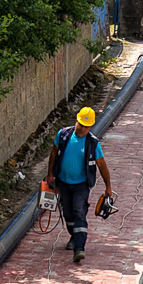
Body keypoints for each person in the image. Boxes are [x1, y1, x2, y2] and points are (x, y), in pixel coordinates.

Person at [45, 106, 113, 264]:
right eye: (80, 124)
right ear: (76, 121)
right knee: (68, 213)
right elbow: (54, 152)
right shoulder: (63, 135)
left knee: (79, 212)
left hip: (81, 185)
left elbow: (102, 165)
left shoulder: (93, 143)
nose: (82, 128)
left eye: (86, 126)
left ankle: (79, 248)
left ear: (91, 127)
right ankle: (74, 236)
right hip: (63, 182)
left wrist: (108, 187)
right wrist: (50, 174)